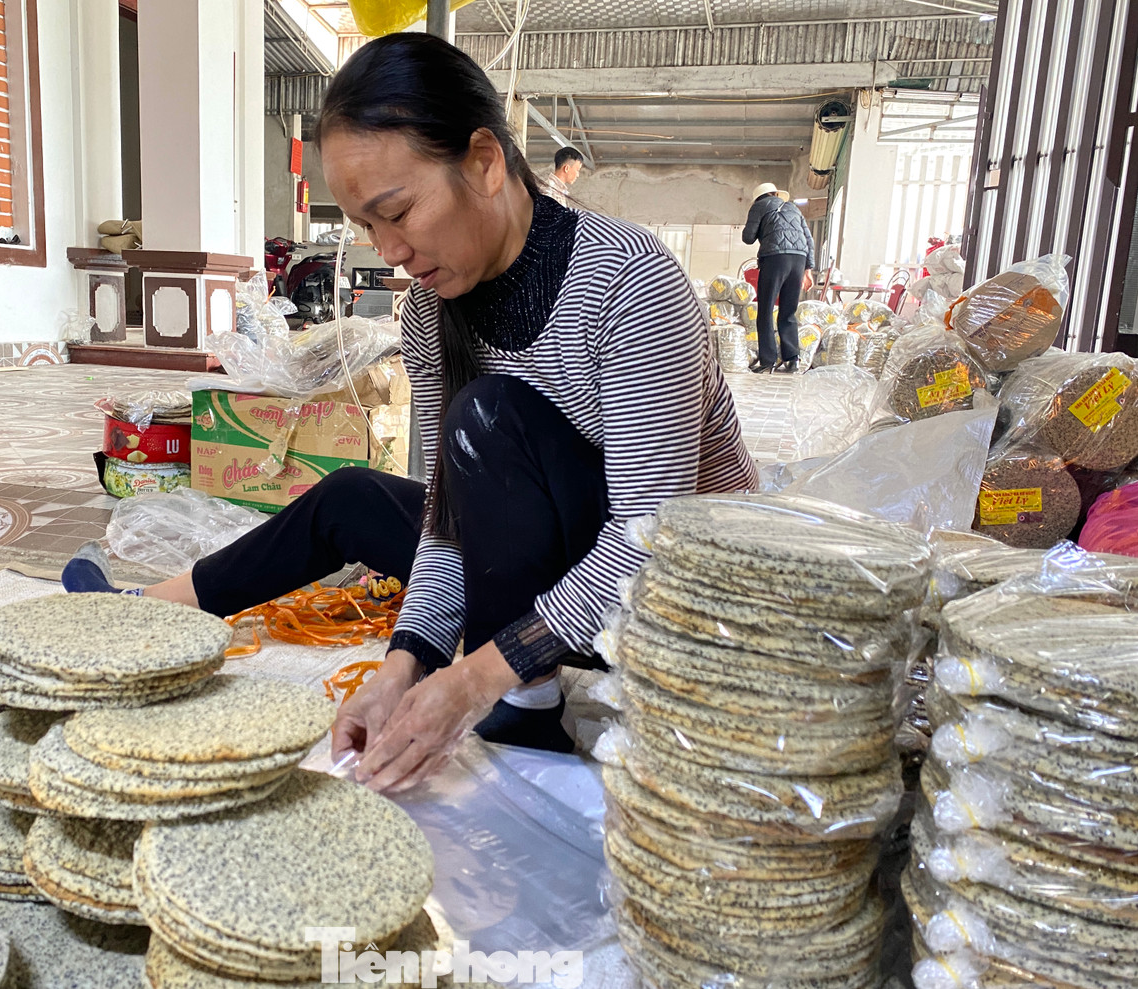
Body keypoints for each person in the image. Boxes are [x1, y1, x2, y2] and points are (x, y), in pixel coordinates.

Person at [62, 34, 757, 793]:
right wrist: (406, 662)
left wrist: (475, 678)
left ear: (484, 161)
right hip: (538, 565)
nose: (389, 250)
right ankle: (149, 611)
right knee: (354, 496)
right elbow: (448, 519)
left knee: (486, 418)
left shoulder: (628, 281)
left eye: (397, 212)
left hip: (673, 596)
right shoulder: (430, 309)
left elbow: (648, 539)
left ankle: (524, 702)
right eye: (367, 226)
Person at [742, 181, 815, 373]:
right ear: (776, 194)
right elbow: (809, 240)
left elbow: (748, 237)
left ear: (757, 198)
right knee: (788, 311)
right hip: (799, 259)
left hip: (775, 258)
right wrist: (808, 269)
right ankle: (792, 359)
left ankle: (768, 361)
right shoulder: (793, 208)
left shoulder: (759, 206)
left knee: (765, 310)